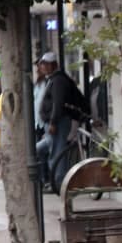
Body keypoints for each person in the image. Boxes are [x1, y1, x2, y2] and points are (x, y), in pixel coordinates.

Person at [38, 53, 87, 193]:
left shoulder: (59, 80)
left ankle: (59, 184)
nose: (44, 67)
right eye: (43, 64)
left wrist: (53, 122)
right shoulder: (52, 80)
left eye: (47, 64)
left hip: (58, 123)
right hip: (51, 124)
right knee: (39, 150)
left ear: (54, 65)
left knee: (57, 153)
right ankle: (48, 181)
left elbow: (58, 103)